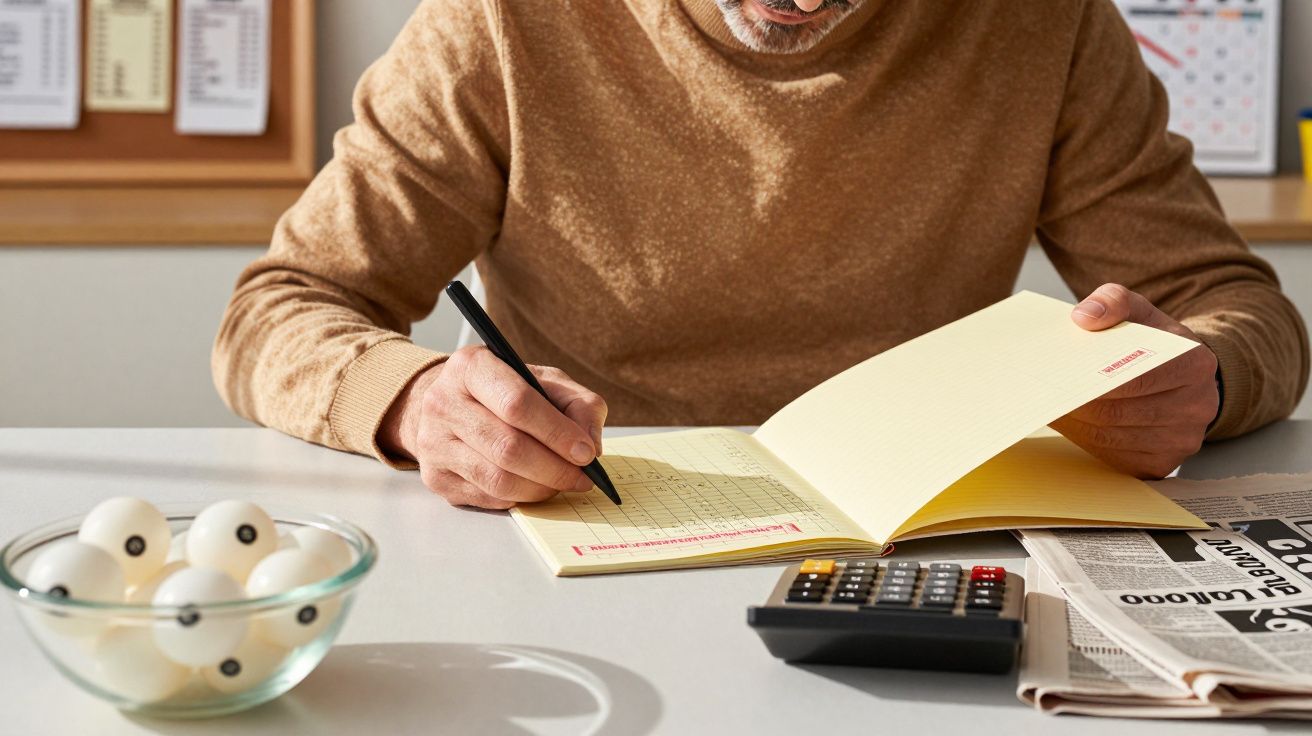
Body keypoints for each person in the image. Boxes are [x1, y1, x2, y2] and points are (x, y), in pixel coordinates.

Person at [214, 0, 1308, 510]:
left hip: (929, 534)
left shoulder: (1045, 24)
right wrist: (414, 402)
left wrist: (1197, 381)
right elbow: (281, 308)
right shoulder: (498, 22)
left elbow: (1232, 305)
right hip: (594, 513)